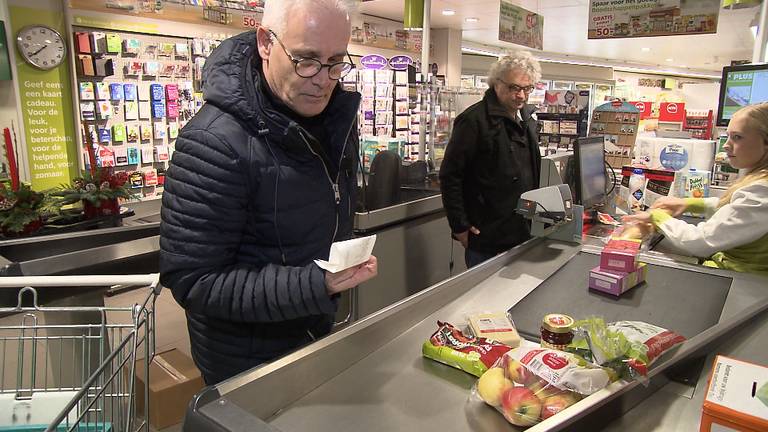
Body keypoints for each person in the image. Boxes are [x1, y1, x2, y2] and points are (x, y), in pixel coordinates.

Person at [159, 0, 378, 385]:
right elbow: (194, 281)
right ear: (265, 42)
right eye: (306, 60)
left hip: (309, 336)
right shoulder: (214, 142)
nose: (323, 79)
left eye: (336, 62)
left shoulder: (331, 120)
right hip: (246, 364)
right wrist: (316, 284)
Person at [622, 102, 768, 275]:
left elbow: (701, 241)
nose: (726, 145)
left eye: (737, 137)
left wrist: (657, 216)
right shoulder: (758, 181)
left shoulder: (761, 192)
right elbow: (737, 208)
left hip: (742, 283)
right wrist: (689, 203)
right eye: (728, 136)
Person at [439, 51, 542, 268]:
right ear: (496, 83)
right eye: (514, 88)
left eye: (527, 88)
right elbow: (450, 176)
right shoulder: (473, 121)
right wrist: (459, 226)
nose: (521, 96)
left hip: (521, 231)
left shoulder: (526, 119)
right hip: (487, 237)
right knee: (486, 301)